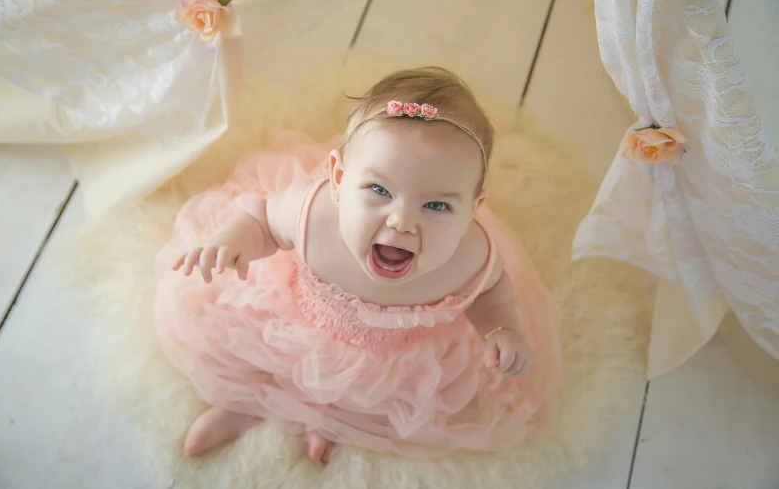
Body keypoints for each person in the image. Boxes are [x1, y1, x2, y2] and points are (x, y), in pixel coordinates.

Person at [153, 67, 562, 464]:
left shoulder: (470, 257)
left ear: (473, 210)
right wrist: (234, 239)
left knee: (367, 398)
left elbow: (491, 292)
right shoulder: (312, 215)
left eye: (437, 205)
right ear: (338, 179)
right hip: (297, 321)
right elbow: (261, 217)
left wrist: (500, 329)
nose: (401, 221)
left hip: (390, 358)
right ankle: (245, 404)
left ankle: (329, 422)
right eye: (379, 190)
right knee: (258, 361)